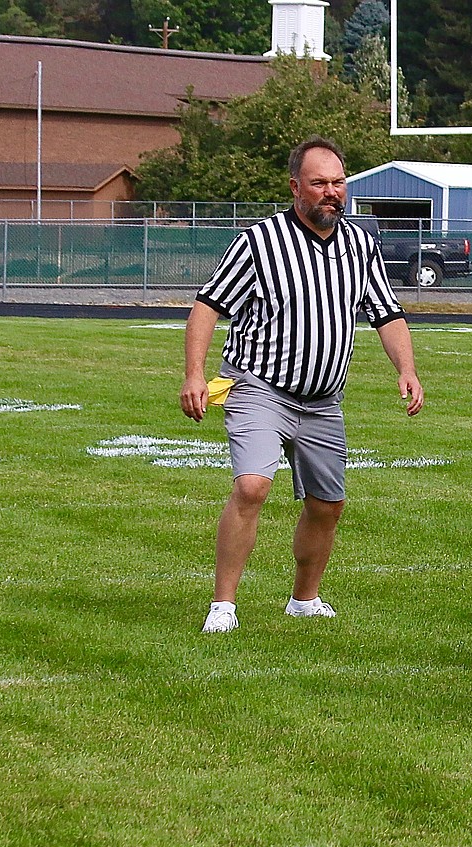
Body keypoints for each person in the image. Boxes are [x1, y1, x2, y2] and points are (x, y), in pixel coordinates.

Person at [180, 136, 424, 634]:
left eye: (338, 182)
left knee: (327, 504)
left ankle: (303, 599)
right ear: (296, 187)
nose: (332, 192)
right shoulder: (259, 242)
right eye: (320, 183)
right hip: (259, 386)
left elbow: (386, 312)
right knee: (252, 486)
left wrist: (407, 368)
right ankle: (223, 604)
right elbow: (207, 307)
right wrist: (193, 374)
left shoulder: (361, 243)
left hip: (323, 401)